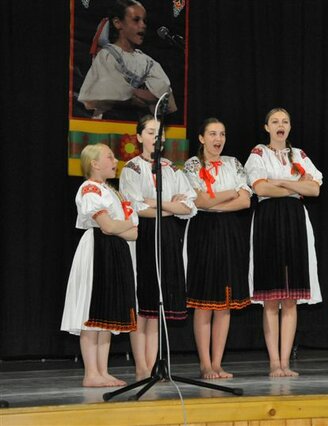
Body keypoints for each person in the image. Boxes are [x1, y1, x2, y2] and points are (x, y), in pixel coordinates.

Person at [244, 107, 322, 377]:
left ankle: (286, 362)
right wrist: (294, 183)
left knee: (290, 298)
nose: (281, 125)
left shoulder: (299, 154)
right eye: (275, 121)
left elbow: (314, 188)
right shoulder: (258, 152)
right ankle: (274, 362)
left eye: (285, 121)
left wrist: (281, 182)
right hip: (269, 219)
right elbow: (261, 188)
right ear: (266, 127)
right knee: (271, 298)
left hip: (295, 219)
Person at [119, 115, 196, 380]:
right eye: (150, 132)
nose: (156, 137)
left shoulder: (171, 168)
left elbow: (188, 207)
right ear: (139, 137)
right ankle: (141, 368)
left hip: (167, 236)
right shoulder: (132, 168)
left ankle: (153, 366)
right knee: (143, 303)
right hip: (143, 236)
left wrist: (156, 203)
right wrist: (167, 206)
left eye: (160, 133)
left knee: (156, 308)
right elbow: (135, 207)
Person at [61, 143, 138, 387]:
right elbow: (108, 227)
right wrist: (120, 224)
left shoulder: (113, 192)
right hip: (97, 249)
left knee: (107, 313)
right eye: (110, 156)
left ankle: (102, 371)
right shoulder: (89, 189)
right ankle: (90, 373)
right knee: (91, 311)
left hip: (115, 250)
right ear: (94, 163)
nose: (115, 160)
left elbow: (134, 233)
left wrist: (119, 225)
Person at [183, 118, 252, 379]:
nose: (218, 139)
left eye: (222, 134)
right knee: (204, 302)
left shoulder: (233, 163)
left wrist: (215, 201)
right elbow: (198, 201)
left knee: (224, 303)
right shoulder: (192, 164)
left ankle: (218, 362)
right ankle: (205, 363)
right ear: (201, 138)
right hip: (203, 232)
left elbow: (245, 201)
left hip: (229, 232)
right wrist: (229, 193)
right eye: (212, 133)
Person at [78, 0, 176, 120]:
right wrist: (144, 95)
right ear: (118, 23)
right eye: (136, 20)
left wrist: (133, 93)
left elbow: (164, 96)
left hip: (140, 124)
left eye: (144, 21)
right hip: (109, 122)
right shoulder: (107, 55)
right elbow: (111, 94)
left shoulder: (147, 62)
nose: (143, 25)